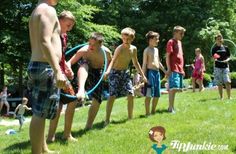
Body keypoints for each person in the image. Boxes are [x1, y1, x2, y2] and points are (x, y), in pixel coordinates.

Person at [28, 0, 67, 153]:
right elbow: (45, 42)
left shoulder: (37, 10)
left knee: (41, 111)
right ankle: (36, 152)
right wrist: (57, 70)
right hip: (46, 67)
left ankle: (43, 149)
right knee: (39, 113)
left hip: (38, 64)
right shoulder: (48, 10)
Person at [68, 32, 112, 129]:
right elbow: (70, 62)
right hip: (83, 71)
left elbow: (110, 61)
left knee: (97, 100)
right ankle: (81, 90)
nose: (90, 46)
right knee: (84, 64)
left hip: (97, 73)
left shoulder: (106, 52)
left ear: (100, 44)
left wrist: (107, 71)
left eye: (94, 45)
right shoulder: (84, 50)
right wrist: (68, 69)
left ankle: (88, 125)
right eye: (90, 43)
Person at [104, 27, 147, 125]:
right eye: (123, 39)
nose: (125, 41)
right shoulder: (120, 48)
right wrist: (107, 71)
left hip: (125, 73)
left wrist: (143, 75)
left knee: (131, 94)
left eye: (128, 39)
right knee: (112, 95)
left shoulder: (133, 49)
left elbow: (136, 63)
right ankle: (107, 119)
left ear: (132, 38)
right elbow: (113, 60)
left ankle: (130, 118)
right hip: (114, 72)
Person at [47, 10, 77, 142]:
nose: (69, 28)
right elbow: (51, 55)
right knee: (69, 99)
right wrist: (59, 71)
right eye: (67, 25)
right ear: (59, 21)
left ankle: (60, 135)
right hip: (53, 71)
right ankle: (55, 136)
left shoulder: (64, 36)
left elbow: (61, 56)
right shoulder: (52, 34)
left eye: (71, 26)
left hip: (61, 71)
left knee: (64, 102)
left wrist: (67, 68)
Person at [142, 31, 167, 116]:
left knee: (157, 94)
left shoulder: (156, 50)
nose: (158, 40)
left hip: (157, 73)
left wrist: (165, 71)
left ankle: (153, 111)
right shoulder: (146, 50)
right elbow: (144, 64)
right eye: (156, 39)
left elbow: (158, 62)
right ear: (150, 39)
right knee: (149, 94)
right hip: (150, 73)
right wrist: (143, 76)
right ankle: (147, 113)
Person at [166, 26, 186, 113]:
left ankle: (171, 107)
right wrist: (169, 68)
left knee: (177, 89)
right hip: (173, 68)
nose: (182, 35)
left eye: (183, 33)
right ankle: (170, 108)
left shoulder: (180, 43)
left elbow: (181, 57)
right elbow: (167, 56)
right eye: (181, 33)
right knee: (173, 88)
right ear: (175, 33)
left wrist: (182, 69)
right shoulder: (171, 42)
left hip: (179, 69)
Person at [211, 33, 231, 100]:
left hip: (225, 66)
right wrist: (215, 58)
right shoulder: (214, 49)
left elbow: (229, 57)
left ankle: (229, 97)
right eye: (218, 39)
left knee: (227, 82)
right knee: (219, 83)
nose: (219, 40)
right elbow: (213, 57)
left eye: (220, 39)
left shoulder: (226, 48)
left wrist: (226, 60)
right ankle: (221, 97)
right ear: (215, 40)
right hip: (217, 67)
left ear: (222, 39)